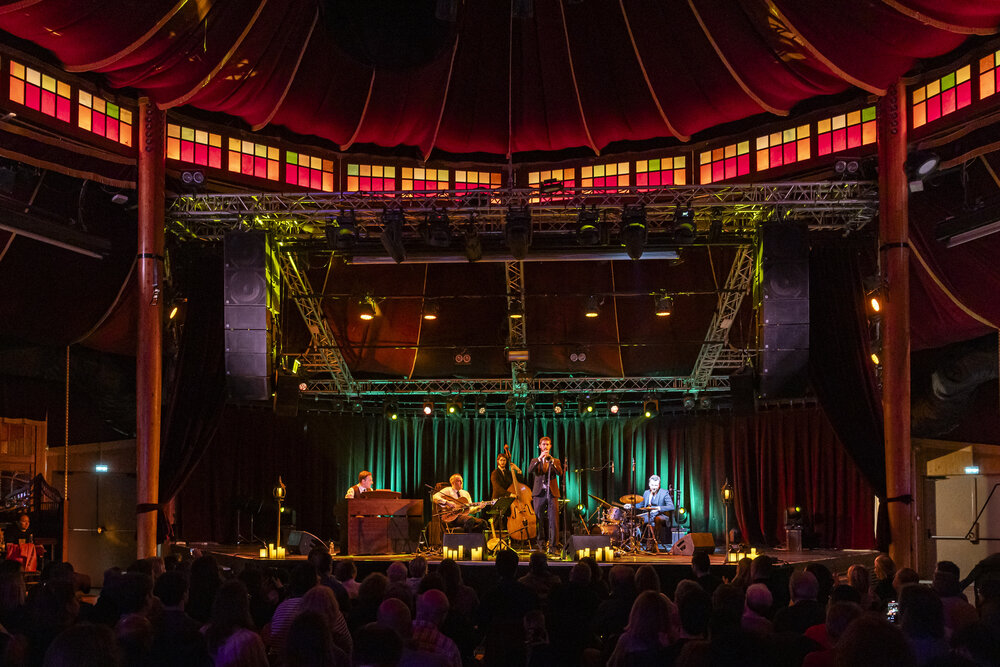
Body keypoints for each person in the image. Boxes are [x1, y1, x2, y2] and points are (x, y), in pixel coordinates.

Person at [527, 436, 563, 552]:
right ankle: (540, 544)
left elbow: (560, 473)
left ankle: (553, 546)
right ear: (540, 446)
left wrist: (552, 461)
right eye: (543, 444)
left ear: (550, 446)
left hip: (552, 493)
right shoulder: (534, 460)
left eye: (547, 444)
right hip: (539, 494)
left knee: (554, 520)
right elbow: (530, 470)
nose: (545, 446)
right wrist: (539, 459)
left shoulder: (555, 460)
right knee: (539, 520)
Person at [629, 475, 674, 546]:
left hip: (660, 515)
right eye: (652, 485)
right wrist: (631, 506)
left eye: (656, 485)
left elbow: (671, 506)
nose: (654, 487)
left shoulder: (664, 493)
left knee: (657, 519)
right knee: (635, 519)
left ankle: (654, 541)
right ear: (649, 484)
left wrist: (658, 508)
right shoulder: (646, 493)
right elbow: (641, 505)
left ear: (659, 485)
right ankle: (637, 541)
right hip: (647, 515)